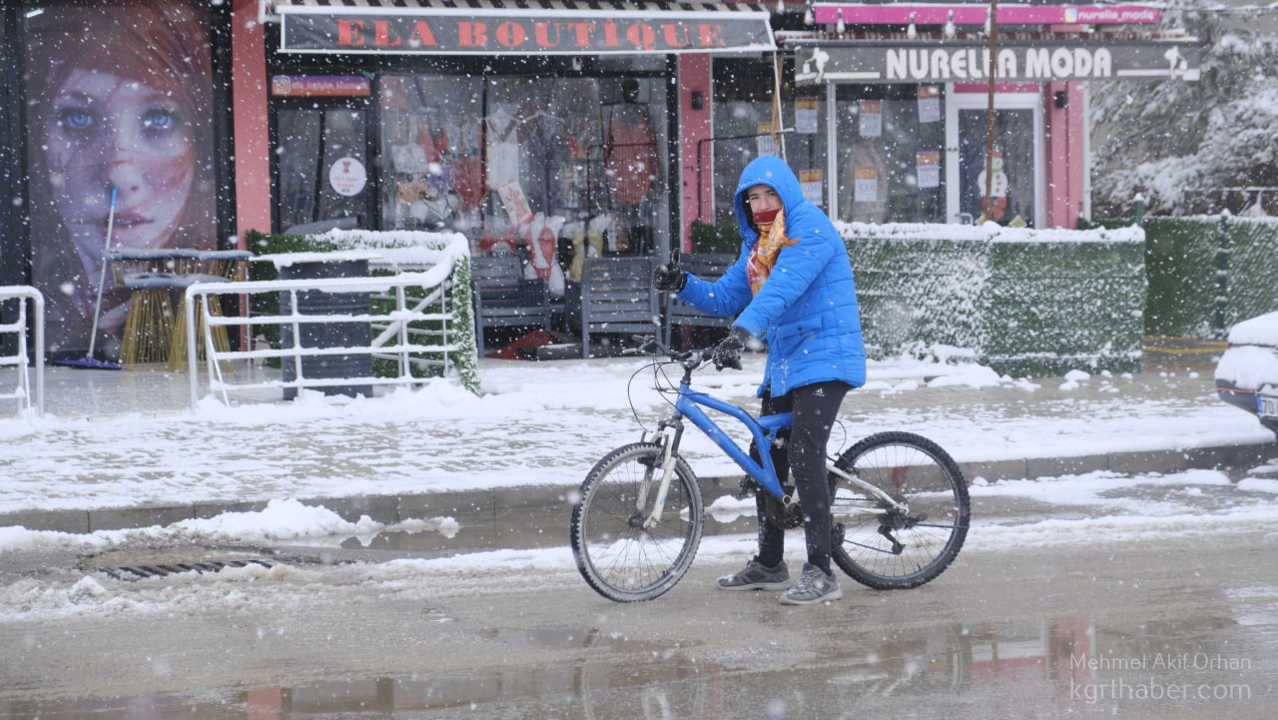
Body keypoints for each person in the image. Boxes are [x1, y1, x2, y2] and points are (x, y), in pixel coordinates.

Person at [654, 154, 866, 605]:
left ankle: (821, 571)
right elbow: (726, 294)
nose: (761, 203)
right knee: (764, 454)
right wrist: (682, 282)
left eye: (769, 194)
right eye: (752, 198)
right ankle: (770, 563)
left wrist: (742, 332)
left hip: (827, 355)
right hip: (791, 361)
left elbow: (781, 290)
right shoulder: (759, 244)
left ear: (787, 192)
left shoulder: (809, 228)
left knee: (805, 453)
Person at [24, 1, 217, 358]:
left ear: (199, 142)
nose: (119, 173)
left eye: (159, 119)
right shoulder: (39, 300)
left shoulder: (191, 284)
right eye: (78, 118)